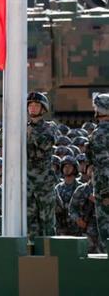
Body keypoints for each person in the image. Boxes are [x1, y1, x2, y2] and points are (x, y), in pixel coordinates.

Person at [26, 92, 58, 238]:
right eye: (30, 105)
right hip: (27, 184)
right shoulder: (22, 126)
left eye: (36, 105)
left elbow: (46, 143)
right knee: (29, 223)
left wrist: (30, 131)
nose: (32, 108)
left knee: (47, 223)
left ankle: (50, 257)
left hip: (44, 184)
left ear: (43, 108)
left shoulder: (49, 127)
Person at [87, 93, 109, 254]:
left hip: (105, 191)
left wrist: (105, 192)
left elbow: (103, 166)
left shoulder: (100, 133)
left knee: (106, 235)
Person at [55, 156, 82, 235]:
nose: (66, 168)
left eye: (69, 166)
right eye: (65, 166)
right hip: (61, 228)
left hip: (77, 228)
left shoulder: (81, 187)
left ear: (75, 168)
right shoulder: (57, 188)